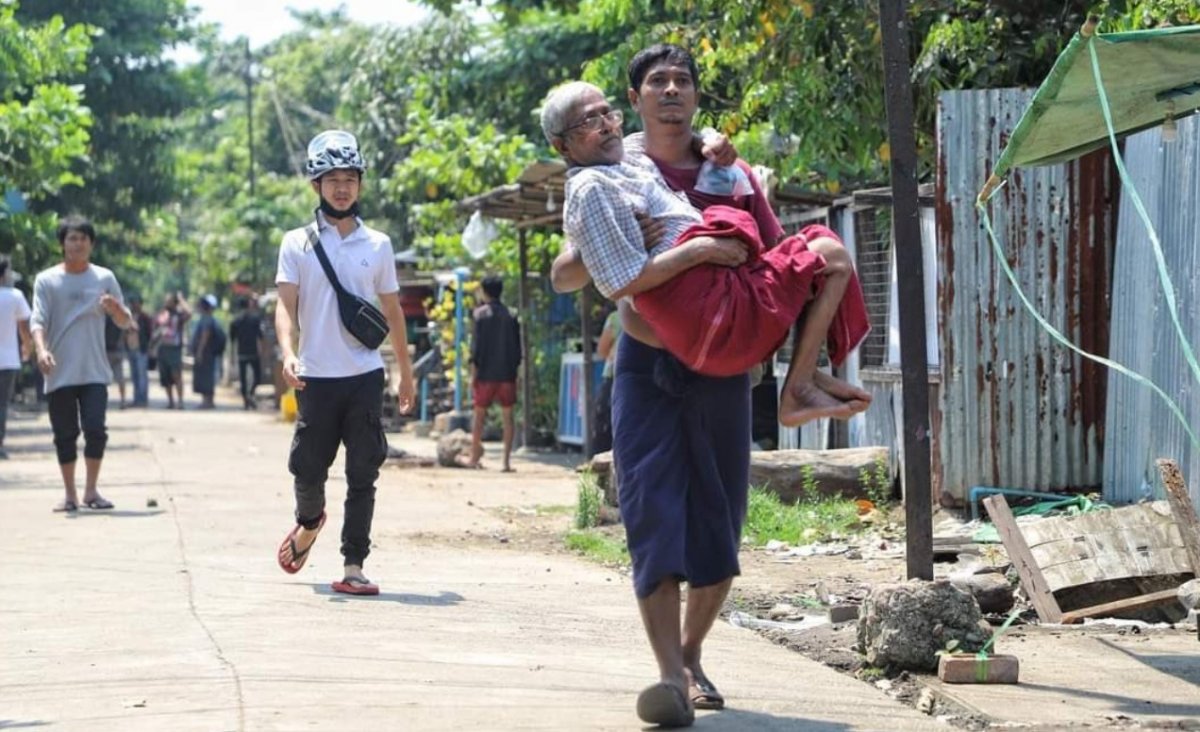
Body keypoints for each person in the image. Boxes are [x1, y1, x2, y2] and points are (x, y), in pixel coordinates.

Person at [543, 46, 870, 727]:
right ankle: (669, 675)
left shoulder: (732, 169)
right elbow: (578, 272)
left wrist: (784, 356)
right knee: (652, 516)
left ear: (695, 98)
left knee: (722, 525)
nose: (669, 92)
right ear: (634, 100)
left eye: (681, 82)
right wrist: (611, 248)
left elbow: (773, 273)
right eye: (654, 83)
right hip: (648, 365)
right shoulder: (612, 168)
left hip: (724, 370)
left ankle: (690, 655)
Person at [274, 129, 416, 596]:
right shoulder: (296, 242)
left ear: (360, 184)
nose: (342, 187)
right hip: (315, 377)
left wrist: (404, 374)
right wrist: (288, 352)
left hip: (364, 376)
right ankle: (309, 521)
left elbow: (393, 310)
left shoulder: (377, 244)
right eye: (332, 178)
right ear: (316, 184)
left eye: (350, 178)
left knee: (364, 470)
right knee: (307, 469)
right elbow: (284, 305)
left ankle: (354, 564)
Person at [30, 216, 132, 512]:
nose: (78, 244)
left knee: (96, 429)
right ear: (62, 244)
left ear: (91, 244)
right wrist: (41, 350)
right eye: (72, 238)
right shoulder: (47, 280)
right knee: (65, 434)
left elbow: (126, 321)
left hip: (94, 371)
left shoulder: (104, 277)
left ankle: (91, 491)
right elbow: (38, 320)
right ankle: (70, 494)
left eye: (83, 238)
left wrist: (115, 309)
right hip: (59, 370)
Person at [466, 275, 521, 471]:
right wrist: (517, 372)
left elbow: (476, 348)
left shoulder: (479, 315)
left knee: (479, 416)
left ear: (484, 291)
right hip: (507, 373)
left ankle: (474, 458)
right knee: (508, 417)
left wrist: (474, 373)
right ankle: (506, 462)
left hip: (485, 374)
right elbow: (517, 348)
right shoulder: (511, 315)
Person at [0, 256, 33, 459]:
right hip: (8, 359)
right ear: (4, 274)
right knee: (2, 404)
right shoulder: (15, 296)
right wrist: (27, 349)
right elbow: (23, 328)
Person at [592, 305, 622, 455]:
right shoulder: (650, 312)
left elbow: (602, 349)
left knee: (604, 421)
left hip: (613, 374)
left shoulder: (616, 318)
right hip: (642, 375)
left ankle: (601, 461)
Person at [154, 292, 191, 409]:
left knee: (176, 375)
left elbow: (189, 313)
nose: (166, 302)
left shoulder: (179, 315)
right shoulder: (162, 314)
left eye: (169, 300)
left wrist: (181, 300)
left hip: (174, 348)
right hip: (163, 348)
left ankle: (180, 401)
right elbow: (156, 331)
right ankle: (170, 401)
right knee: (166, 377)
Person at [229, 296, 266, 409]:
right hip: (253, 352)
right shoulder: (255, 319)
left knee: (243, 379)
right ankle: (250, 394)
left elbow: (232, 341)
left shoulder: (235, 321)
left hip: (241, 353)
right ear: (249, 305)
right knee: (258, 377)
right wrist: (262, 351)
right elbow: (260, 337)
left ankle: (246, 400)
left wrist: (232, 356)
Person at [190, 294, 222, 409]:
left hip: (205, 353)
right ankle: (209, 400)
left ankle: (207, 401)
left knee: (205, 377)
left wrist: (199, 351)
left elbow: (205, 335)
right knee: (208, 376)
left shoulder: (206, 320)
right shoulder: (211, 319)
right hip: (209, 354)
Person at [126, 295, 153, 407]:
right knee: (134, 375)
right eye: (133, 303)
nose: (134, 305)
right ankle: (136, 399)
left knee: (142, 375)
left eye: (136, 303)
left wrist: (148, 348)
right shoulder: (127, 316)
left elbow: (150, 334)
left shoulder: (145, 317)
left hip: (141, 349)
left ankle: (143, 399)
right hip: (130, 348)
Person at [104, 313, 128, 409]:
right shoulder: (119, 319)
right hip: (117, 351)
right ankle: (123, 401)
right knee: (120, 378)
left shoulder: (103, 319)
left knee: (103, 379)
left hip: (108, 351)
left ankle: (103, 401)